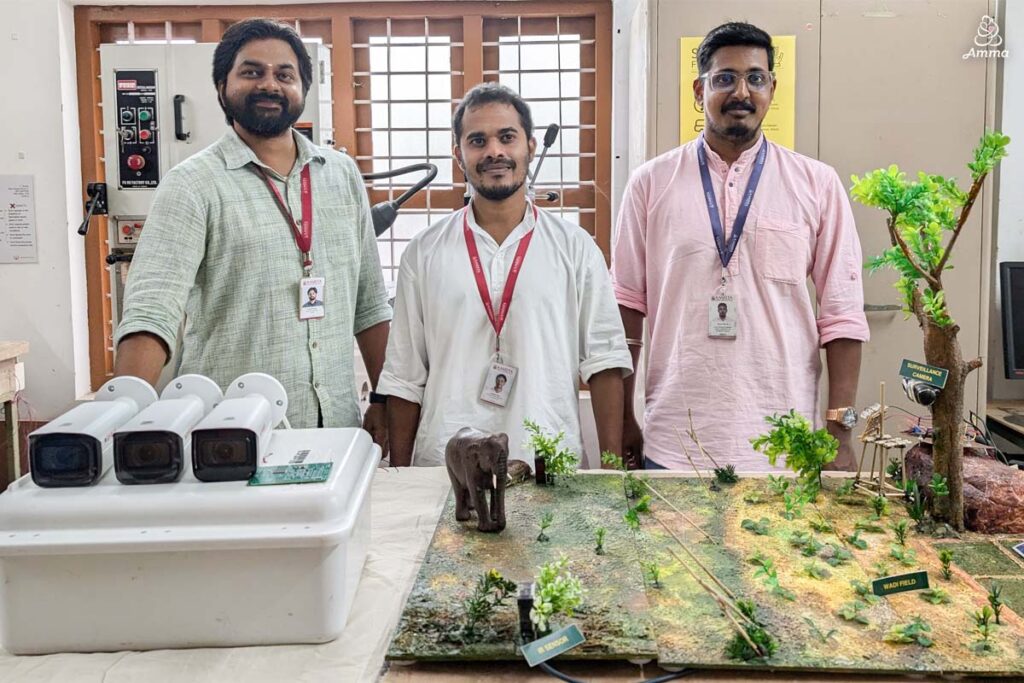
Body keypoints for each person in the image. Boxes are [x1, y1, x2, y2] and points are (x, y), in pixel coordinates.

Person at [113, 18, 392, 447]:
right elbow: (152, 312)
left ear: (303, 89)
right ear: (222, 86)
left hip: (336, 429)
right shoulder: (192, 184)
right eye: (251, 72)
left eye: (285, 74)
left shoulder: (341, 175)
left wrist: (385, 399)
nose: (270, 84)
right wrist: (123, 420)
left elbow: (370, 303)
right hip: (227, 437)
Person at [612, 22, 869, 471]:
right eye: (725, 78)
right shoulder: (650, 184)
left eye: (756, 78)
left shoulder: (817, 184)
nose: (741, 92)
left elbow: (842, 316)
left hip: (787, 448)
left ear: (772, 88)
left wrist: (839, 431)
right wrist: (623, 418)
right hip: (674, 442)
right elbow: (627, 306)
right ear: (699, 90)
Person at [379, 83, 632, 466]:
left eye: (507, 137)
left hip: (548, 461)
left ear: (529, 147)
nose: (494, 151)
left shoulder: (575, 247)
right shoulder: (424, 251)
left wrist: (613, 477)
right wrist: (400, 479)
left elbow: (605, 362)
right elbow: (403, 376)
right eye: (477, 140)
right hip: (447, 467)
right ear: (458, 155)